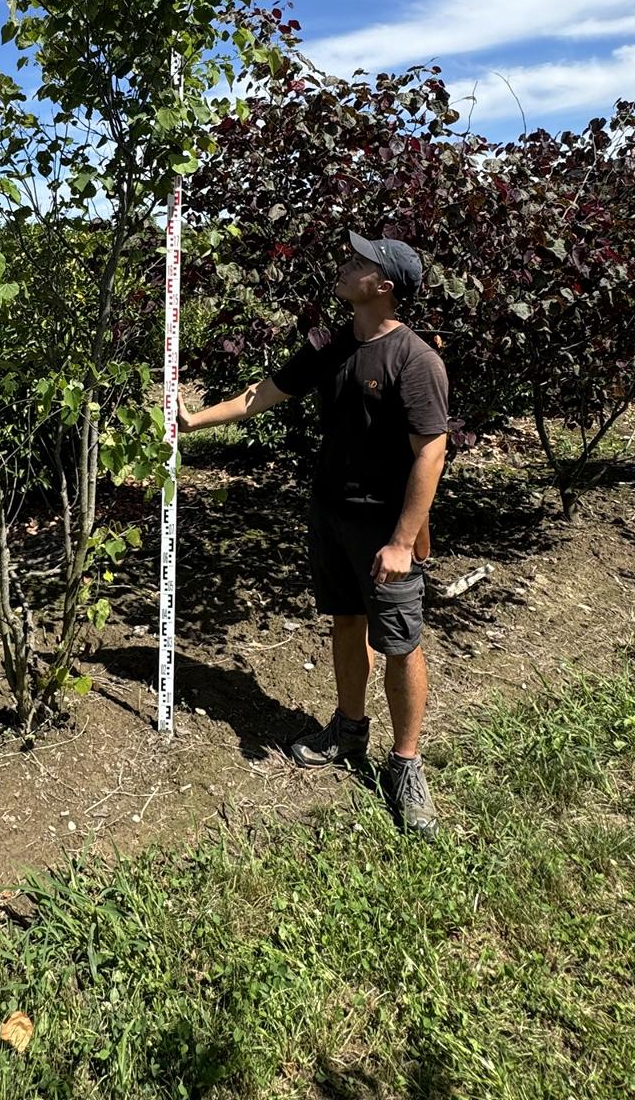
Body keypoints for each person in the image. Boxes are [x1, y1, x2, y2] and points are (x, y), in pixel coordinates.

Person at [177, 233, 448, 838]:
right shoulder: (330, 345)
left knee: (401, 642)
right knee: (347, 623)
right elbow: (261, 396)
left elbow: (431, 452)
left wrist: (403, 541)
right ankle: (349, 730)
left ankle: (406, 764)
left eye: (359, 262)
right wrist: (194, 421)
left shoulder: (416, 361)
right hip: (330, 515)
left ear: (384, 286)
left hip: (384, 527)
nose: (346, 264)